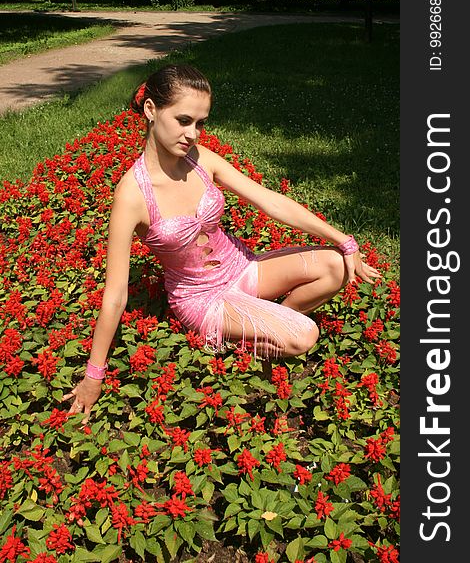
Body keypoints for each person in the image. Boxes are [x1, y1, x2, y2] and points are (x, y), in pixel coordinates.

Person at [63, 63, 381, 420]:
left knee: (337, 264)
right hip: (202, 298)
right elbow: (116, 293)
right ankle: (262, 334)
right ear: (151, 110)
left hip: (243, 268)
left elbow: (270, 201)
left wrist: (345, 240)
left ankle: (266, 327)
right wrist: (94, 374)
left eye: (201, 123)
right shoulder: (132, 196)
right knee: (305, 335)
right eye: (184, 120)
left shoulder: (200, 160)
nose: (193, 134)